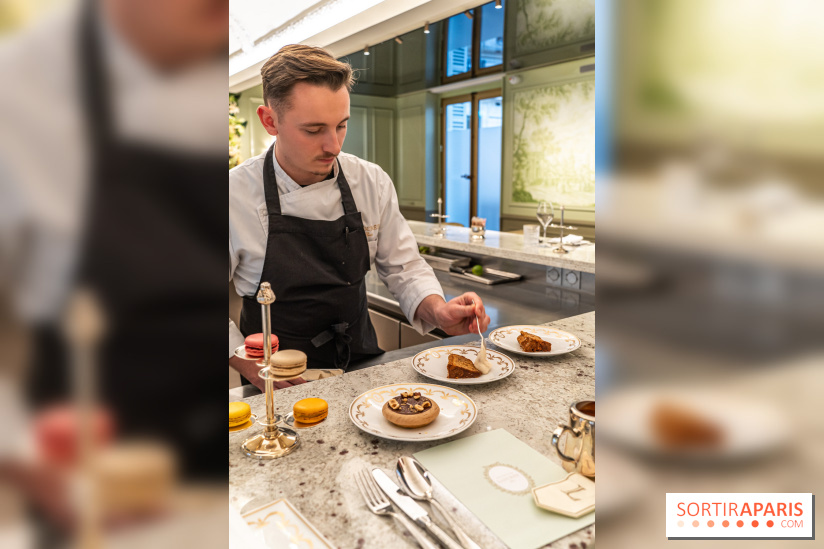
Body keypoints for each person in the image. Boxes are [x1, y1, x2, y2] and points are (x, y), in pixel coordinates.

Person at [229, 45, 490, 386]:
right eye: (313, 130)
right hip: (276, 379)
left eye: (341, 125)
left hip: (362, 366)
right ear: (269, 121)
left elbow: (403, 267)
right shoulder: (232, 195)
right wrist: (247, 363)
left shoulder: (370, 181)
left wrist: (438, 311)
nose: (334, 145)